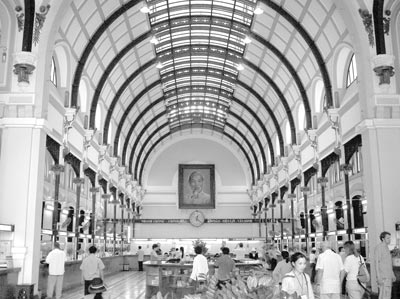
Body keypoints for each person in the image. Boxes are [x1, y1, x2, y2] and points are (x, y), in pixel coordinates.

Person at [373, 231, 396, 299]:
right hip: (383, 277)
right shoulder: (379, 248)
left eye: (390, 238)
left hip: (388, 276)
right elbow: (377, 263)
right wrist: (378, 277)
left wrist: (392, 274)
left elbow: (388, 263)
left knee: (387, 296)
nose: (389, 239)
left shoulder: (386, 248)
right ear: (383, 239)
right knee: (384, 296)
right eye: (388, 238)